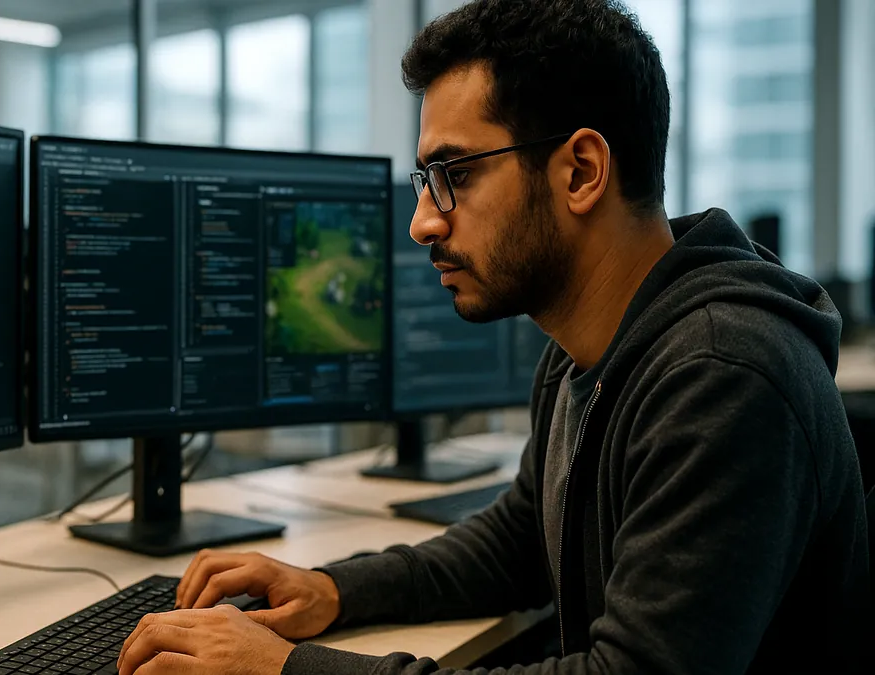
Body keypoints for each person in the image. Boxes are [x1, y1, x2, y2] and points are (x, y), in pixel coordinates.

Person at [116, 0, 872, 672]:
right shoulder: (586, 348)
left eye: (457, 174)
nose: (423, 221)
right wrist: (332, 589)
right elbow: (519, 541)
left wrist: (286, 669)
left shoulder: (721, 371)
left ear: (580, 170)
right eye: (426, 181)